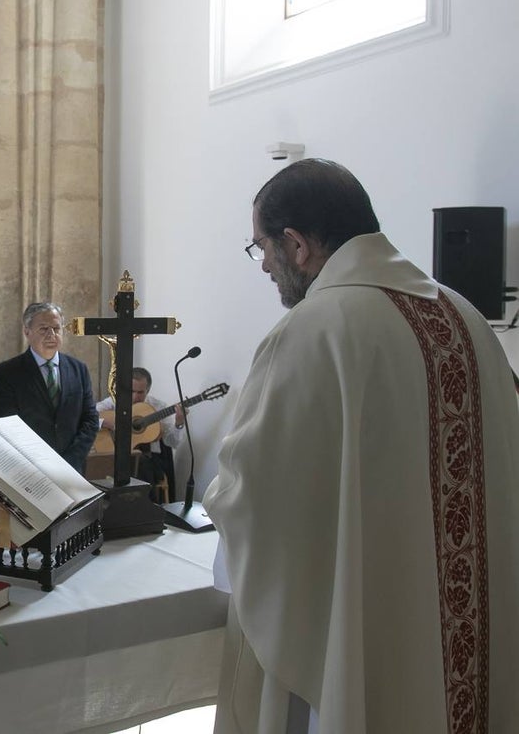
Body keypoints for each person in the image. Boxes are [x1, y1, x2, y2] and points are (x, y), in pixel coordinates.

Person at [205, 159, 519, 733]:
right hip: (466, 638)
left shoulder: (314, 329)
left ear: (296, 244)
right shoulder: (467, 318)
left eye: (262, 248)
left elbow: (255, 497)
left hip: (367, 633)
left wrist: (221, 498)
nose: (266, 266)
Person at [0, 302, 98, 475]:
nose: (51, 335)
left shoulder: (78, 369)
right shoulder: (8, 372)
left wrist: (70, 460)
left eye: (56, 328)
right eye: (43, 329)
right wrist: (43, 463)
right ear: (27, 332)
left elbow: (91, 419)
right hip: (29, 469)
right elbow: (7, 424)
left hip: (72, 468)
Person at [96, 367, 184, 500]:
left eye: (140, 392)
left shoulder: (158, 407)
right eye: (131, 391)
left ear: (148, 390)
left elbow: (173, 442)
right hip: (115, 457)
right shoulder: (113, 402)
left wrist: (179, 423)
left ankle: (145, 512)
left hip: (149, 460)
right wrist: (107, 423)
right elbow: (88, 417)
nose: (135, 397)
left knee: (142, 464)